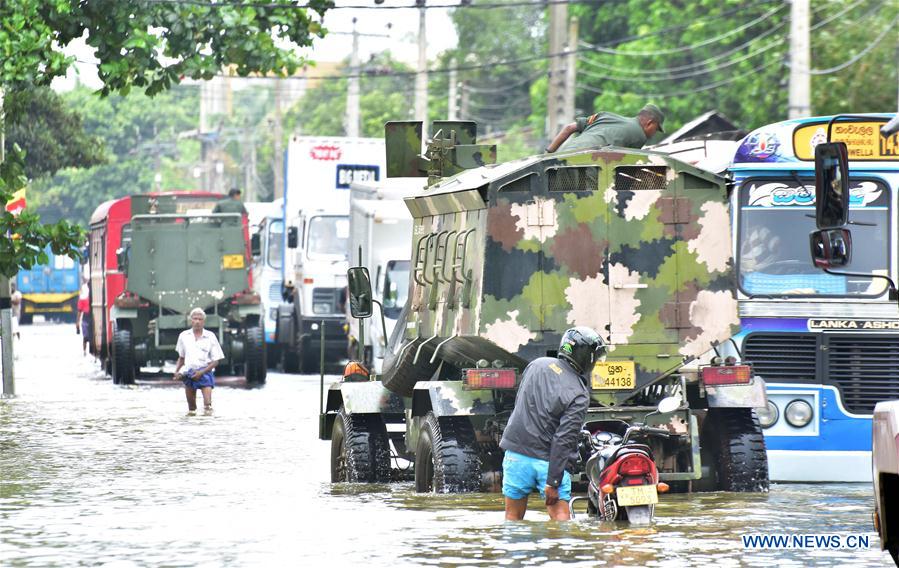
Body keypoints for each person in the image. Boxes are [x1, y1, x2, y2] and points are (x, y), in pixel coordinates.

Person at [500, 327, 606, 521]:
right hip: (548, 464)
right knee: (560, 523)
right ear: (587, 358)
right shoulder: (579, 393)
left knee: (512, 519)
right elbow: (564, 439)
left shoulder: (536, 365)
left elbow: (520, 404)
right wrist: (553, 482)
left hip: (515, 457)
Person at [545, 103, 666, 153]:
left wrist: (548, 155)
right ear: (650, 123)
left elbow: (568, 128)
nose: (654, 133)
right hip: (586, 164)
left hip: (565, 153)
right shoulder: (640, 135)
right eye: (656, 129)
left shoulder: (605, 116)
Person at [174, 307, 225, 415]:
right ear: (190, 320)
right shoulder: (183, 336)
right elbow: (181, 358)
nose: (197, 321)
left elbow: (216, 361)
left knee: (208, 405)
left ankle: (206, 427)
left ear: (204, 321)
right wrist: (177, 371)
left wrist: (201, 373)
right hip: (189, 373)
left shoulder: (210, 336)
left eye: (200, 319)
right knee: (191, 409)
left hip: (205, 373)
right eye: (195, 318)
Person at [76, 280, 91, 356]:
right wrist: (77, 323)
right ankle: (84, 352)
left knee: (86, 337)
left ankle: (85, 352)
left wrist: (77, 323)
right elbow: (79, 311)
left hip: (89, 318)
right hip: (86, 318)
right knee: (85, 337)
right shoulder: (84, 298)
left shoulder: (84, 297)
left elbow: (79, 312)